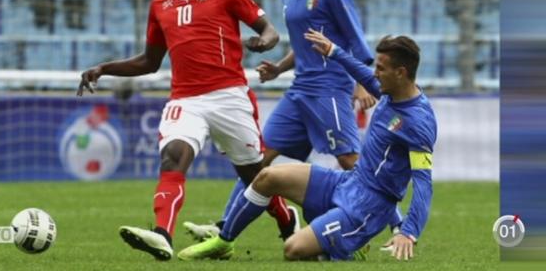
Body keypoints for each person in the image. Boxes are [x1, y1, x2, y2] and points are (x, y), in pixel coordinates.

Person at [77, 0, 297, 261]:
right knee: (172, 157)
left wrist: (264, 42)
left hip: (229, 97)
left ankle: (286, 219)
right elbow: (150, 62)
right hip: (185, 100)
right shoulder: (159, 4)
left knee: (255, 176)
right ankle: (163, 234)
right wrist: (104, 68)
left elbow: (269, 30)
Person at [183, 0, 377, 241]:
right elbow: (304, 43)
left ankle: (381, 221)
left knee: (348, 160)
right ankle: (223, 229)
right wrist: (279, 68)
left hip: (329, 88)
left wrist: (362, 82)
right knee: (257, 161)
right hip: (300, 91)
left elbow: (354, 39)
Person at [177, 33, 437, 262]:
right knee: (268, 176)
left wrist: (408, 231)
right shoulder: (389, 90)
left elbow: (423, 183)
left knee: (293, 249)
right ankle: (224, 242)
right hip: (348, 182)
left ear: (401, 72)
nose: (375, 73)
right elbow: (362, 73)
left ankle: (347, 246)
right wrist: (334, 52)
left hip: (367, 207)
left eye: (380, 68)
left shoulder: (418, 122)